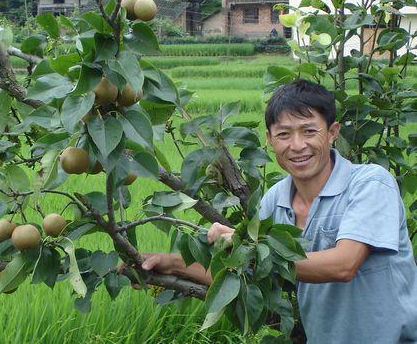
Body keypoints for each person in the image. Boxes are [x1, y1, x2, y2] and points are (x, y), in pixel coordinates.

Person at [137, 79, 417, 343]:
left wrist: (246, 244)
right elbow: (246, 273)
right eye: (284, 134)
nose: (297, 145)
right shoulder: (275, 201)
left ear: (332, 132)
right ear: (270, 140)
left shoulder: (369, 183)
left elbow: (344, 264)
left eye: (309, 131)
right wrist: (172, 263)